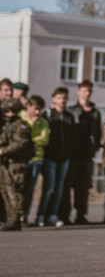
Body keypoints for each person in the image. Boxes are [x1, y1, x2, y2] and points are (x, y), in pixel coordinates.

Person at [62, 80, 102, 225]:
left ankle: (81, 215)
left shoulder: (95, 113)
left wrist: (95, 147)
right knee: (67, 185)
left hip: (87, 155)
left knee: (83, 187)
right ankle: (64, 214)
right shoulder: (72, 110)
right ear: (78, 91)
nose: (87, 94)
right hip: (73, 154)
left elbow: (97, 133)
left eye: (89, 91)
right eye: (84, 91)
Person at [39, 87, 73, 227]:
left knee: (59, 189)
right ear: (53, 99)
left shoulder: (69, 116)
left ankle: (52, 214)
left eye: (64, 98)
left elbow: (72, 137)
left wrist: (70, 152)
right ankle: (41, 215)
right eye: (59, 98)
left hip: (64, 158)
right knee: (49, 188)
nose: (62, 100)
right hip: (50, 157)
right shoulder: (47, 115)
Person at [0, 98, 34, 231]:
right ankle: (11, 218)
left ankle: (15, 218)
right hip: (6, 163)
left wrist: (4, 150)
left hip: (16, 162)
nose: (8, 113)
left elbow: (21, 143)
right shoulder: (7, 126)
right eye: (6, 111)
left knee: (13, 190)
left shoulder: (21, 126)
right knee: (5, 190)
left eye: (10, 111)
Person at [19, 95, 49, 224]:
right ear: (28, 106)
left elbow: (45, 139)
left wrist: (31, 141)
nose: (37, 112)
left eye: (40, 110)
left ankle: (24, 215)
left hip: (37, 158)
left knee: (29, 189)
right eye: (35, 109)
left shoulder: (43, 122)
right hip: (21, 158)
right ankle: (15, 213)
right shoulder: (21, 117)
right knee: (19, 187)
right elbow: (21, 137)